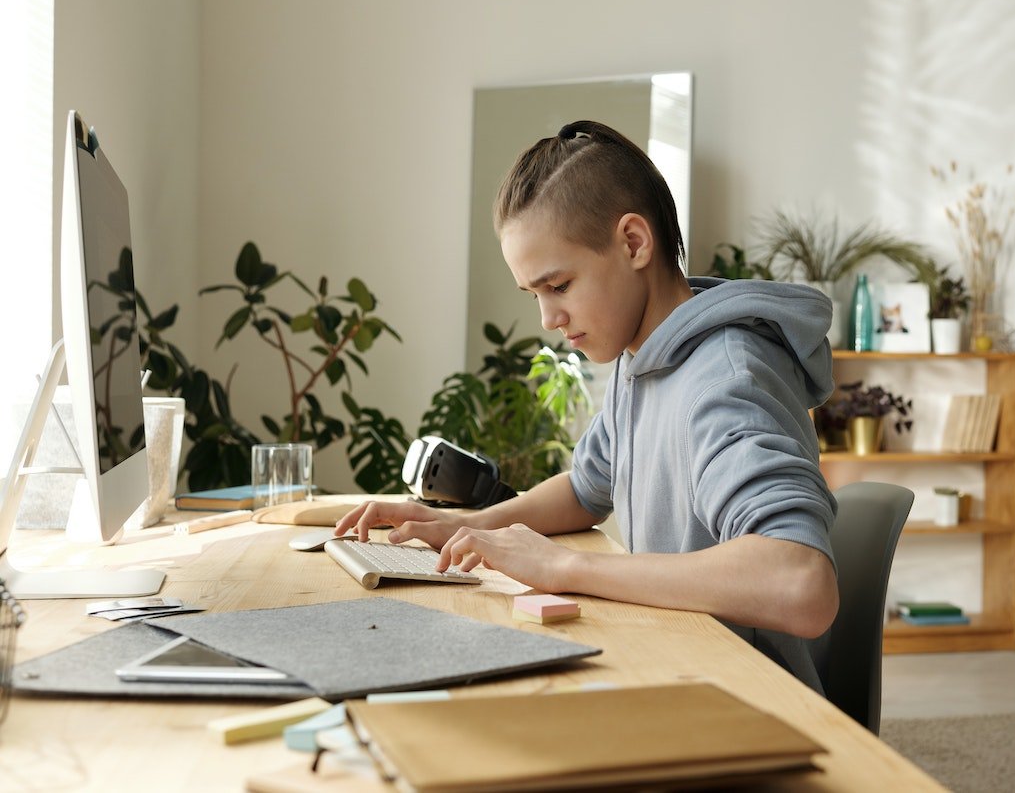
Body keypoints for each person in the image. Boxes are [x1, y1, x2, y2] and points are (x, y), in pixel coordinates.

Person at [335, 120, 839, 690]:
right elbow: (584, 488)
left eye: (560, 286)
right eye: (535, 295)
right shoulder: (644, 356)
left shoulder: (723, 379)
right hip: (673, 671)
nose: (548, 320)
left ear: (633, 243)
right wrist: (465, 524)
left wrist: (566, 566)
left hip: (746, 703)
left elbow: (801, 583)